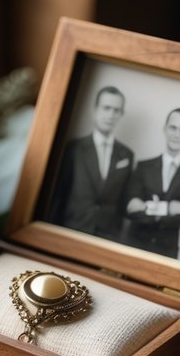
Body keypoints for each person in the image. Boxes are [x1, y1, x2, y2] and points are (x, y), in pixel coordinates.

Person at [48, 86, 134, 240]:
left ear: (121, 114)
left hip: (108, 236)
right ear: (95, 109)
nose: (111, 115)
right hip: (71, 230)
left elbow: (124, 199)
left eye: (116, 110)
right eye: (106, 108)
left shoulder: (127, 155)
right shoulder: (74, 148)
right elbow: (59, 195)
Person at [123, 107, 180, 259]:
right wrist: (170, 208)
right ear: (165, 128)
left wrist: (147, 206)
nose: (177, 134)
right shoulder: (143, 166)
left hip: (167, 252)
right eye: (173, 128)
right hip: (134, 246)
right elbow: (130, 209)